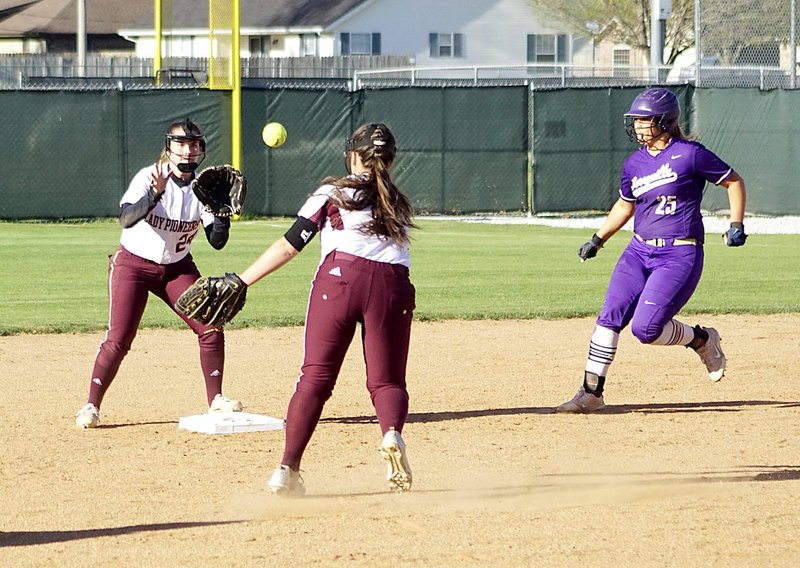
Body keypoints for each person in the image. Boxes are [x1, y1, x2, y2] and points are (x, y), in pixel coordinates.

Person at [232, 123, 416, 495]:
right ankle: (392, 434)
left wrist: (241, 280)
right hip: (393, 285)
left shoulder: (334, 191)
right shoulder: (395, 199)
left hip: (340, 279)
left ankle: (287, 469)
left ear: (351, 156)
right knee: (387, 381)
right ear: (392, 161)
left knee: (315, 377)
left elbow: (290, 245)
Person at [557, 87, 747, 414]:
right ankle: (591, 392)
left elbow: (733, 181)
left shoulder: (690, 154)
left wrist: (736, 223)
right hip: (638, 251)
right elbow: (624, 205)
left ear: (665, 121)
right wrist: (598, 238)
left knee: (645, 330)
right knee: (609, 316)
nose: (639, 126)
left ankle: (701, 339)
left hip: (679, 255)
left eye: (645, 120)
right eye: (637, 120)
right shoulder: (634, 164)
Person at [75, 119, 243, 428]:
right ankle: (91, 405)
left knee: (210, 325)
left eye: (193, 145)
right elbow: (126, 219)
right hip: (133, 265)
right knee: (119, 339)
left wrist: (221, 215)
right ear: (169, 147)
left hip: (177, 267)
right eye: (180, 144)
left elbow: (217, 242)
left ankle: (216, 400)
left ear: (201, 150)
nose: (187, 151)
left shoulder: (203, 187)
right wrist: (153, 195)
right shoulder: (149, 177)